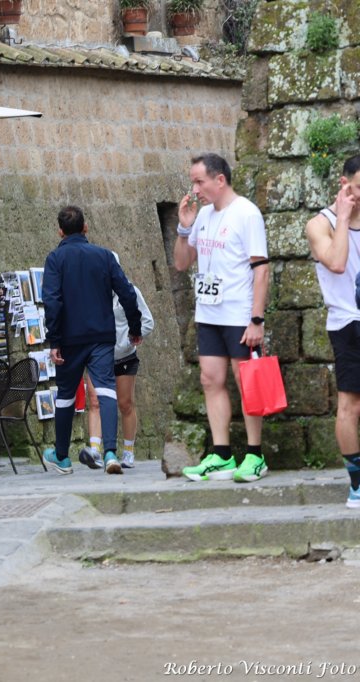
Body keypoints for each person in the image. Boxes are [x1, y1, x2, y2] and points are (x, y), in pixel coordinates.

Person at [174, 153, 270, 483]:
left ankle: (255, 455)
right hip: (209, 312)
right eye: (193, 182)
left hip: (239, 313)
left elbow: (262, 269)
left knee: (247, 383)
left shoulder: (246, 213)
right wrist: (184, 228)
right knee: (210, 380)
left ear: (219, 179)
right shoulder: (202, 216)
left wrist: (256, 319)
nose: (195, 188)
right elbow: (182, 263)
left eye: (199, 181)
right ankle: (222, 454)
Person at [41, 206, 142, 476]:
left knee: (65, 395)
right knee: (106, 389)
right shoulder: (104, 256)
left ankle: (62, 457)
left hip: (70, 339)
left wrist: (54, 340)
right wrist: (134, 326)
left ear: (60, 231)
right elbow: (127, 292)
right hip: (101, 336)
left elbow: (52, 302)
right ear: (85, 227)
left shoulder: (55, 260)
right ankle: (110, 452)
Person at [305, 154, 360, 507]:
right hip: (347, 323)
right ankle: (357, 484)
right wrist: (343, 217)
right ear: (345, 185)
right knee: (350, 406)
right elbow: (337, 263)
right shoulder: (319, 225)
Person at [78, 251, 155, 470]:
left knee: (125, 403)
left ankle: (128, 451)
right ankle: (95, 450)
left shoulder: (130, 291)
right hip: (97, 355)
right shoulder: (90, 294)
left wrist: (131, 339)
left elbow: (147, 322)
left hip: (123, 356)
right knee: (95, 401)